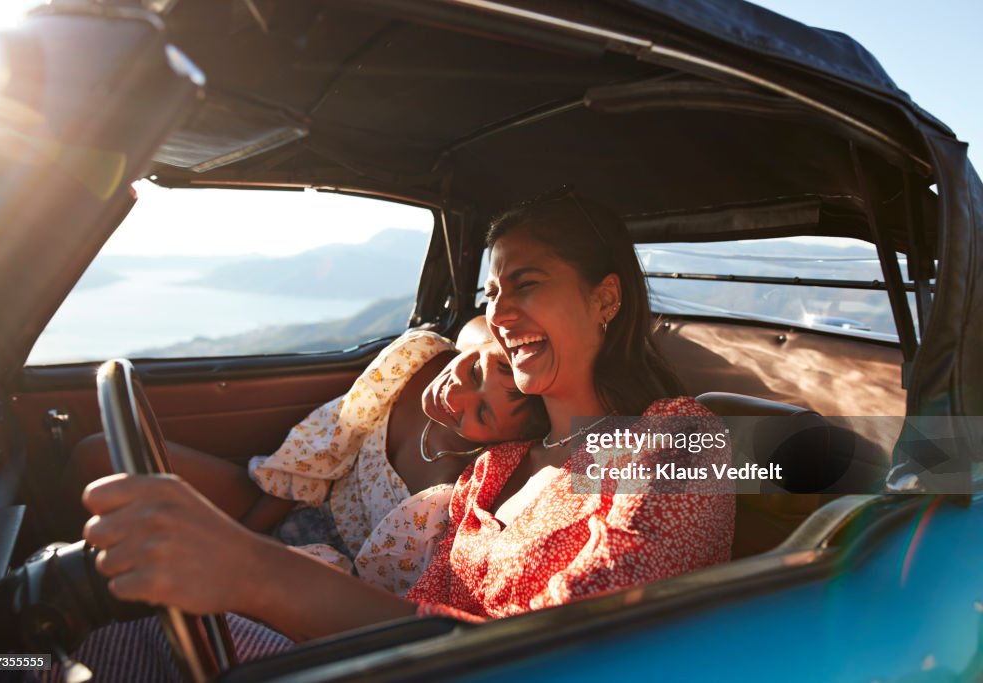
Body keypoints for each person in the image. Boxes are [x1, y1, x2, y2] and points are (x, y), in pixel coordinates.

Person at [71, 190, 734, 672]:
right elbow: (417, 616)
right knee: (116, 629)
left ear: (606, 299)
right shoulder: (494, 468)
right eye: (493, 290)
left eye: (525, 284)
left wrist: (254, 569)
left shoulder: (678, 439)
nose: (499, 312)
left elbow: (561, 651)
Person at [65, 319, 549, 595]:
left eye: (482, 412)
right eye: (483, 367)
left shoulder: (469, 487)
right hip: (286, 507)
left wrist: (250, 556)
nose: (458, 396)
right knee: (100, 456)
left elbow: (372, 594)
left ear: (501, 439)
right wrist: (247, 531)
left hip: (326, 580)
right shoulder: (420, 360)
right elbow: (319, 460)